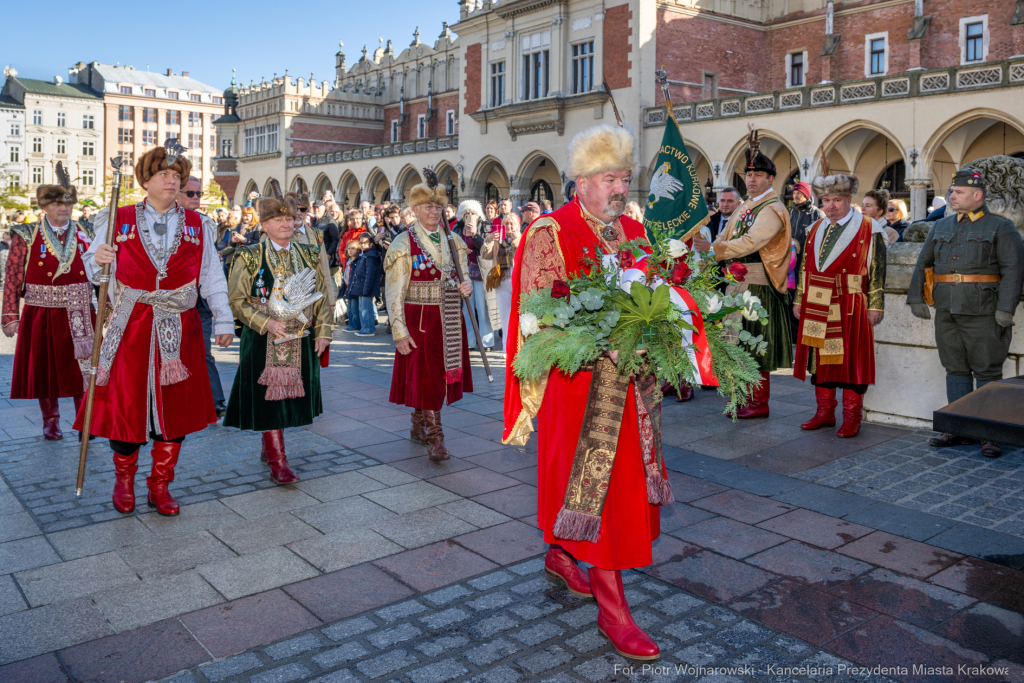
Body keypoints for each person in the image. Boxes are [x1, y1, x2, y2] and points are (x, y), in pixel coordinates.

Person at [503, 124, 673, 662]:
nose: (620, 188)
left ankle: (559, 553)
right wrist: (604, 343)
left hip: (635, 386)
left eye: (624, 178)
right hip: (578, 386)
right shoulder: (550, 233)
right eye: (609, 179)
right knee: (597, 488)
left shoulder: (635, 231)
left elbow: (657, 295)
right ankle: (613, 610)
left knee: (623, 484)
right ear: (581, 182)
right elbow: (539, 315)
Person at [77, 143, 234, 516]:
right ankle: (124, 480)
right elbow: (94, 270)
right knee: (126, 406)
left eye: (176, 175)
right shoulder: (116, 218)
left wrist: (223, 317)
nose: (172, 180)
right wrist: (98, 258)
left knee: (174, 410)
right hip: (130, 326)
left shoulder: (198, 224)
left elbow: (211, 274)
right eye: (163, 174)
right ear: (145, 181)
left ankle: (160, 484)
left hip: (181, 326)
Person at [907, 169, 1024, 458]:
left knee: (987, 371)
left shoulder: (1001, 227)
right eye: (952, 191)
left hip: (984, 311)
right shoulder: (941, 225)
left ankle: (989, 434)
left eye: (958, 192)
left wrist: (1005, 309)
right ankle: (958, 428)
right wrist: (916, 298)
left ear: (978, 195)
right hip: (947, 309)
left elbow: (1013, 270)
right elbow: (924, 263)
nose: (952, 196)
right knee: (955, 369)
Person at [223, 193, 331, 483]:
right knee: (268, 399)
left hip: (301, 336)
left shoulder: (309, 253)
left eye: (289, 218)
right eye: (278, 219)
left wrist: (324, 331)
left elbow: (321, 296)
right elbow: (237, 300)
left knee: (290, 398)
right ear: (264, 225)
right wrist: (266, 322)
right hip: (261, 337)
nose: (286, 224)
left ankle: (269, 444)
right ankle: (278, 463)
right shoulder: (249, 255)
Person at [693, 130, 793, 418]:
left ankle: (759, 403)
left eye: (758, 175)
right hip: (737, 285)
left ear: (770, 179)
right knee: (736, 344)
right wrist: (709, 247)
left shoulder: (772, 208)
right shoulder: (745, 206)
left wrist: (715, 249)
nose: (752, 179)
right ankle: (741, 397)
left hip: (758, 286)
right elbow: (724, 235)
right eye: (749, 174)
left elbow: (752, 242)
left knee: (755, 346)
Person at [2, 168, 95, 440]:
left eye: (68, 202)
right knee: (44, 369)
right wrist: (10, 315)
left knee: (83, 368)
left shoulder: (87, 231)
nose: (64, 208)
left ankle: (84, 420)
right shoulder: (27, 233)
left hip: (80, 310)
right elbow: (13, 275)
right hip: (41, 311)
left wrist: (109, 307)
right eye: (56, 203)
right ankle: (51, 421)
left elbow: (102, 271)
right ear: (44, 207)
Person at [792, 171, 886, 438]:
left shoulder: (869, 228)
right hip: (817, 302)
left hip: (851, 303)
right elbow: (805, 268)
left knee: (852, 361)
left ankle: (852, 417)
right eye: (826, 200)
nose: (830, 206)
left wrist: (875, 305)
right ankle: (825, 413)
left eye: (837, 200)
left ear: (848, 199)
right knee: (821, 361)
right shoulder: (814, 229)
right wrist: (799, 298)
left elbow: (878, 270)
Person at [384, 181, 473, 460]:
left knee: (436, 376)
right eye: (428, 207)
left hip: (449, 317)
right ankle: (436, 437)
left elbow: (462, 276)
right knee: (427, 377)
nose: (434, 212)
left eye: (438, 207)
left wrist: (467, 285)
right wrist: (399, 331)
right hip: (419, 319)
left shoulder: (454, 239)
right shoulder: (403, 242)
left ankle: (417, 423)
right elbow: (394, 292)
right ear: (415, 210)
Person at [179, 176, 228, 418]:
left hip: (200, 301)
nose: (196, 197)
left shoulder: (204, 224)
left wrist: (223, 316)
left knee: (203, 351)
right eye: (190, 193)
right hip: (172, 302)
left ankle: (215, 399)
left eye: (198, 193)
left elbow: (211, 269)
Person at [457, 200, 495, 350]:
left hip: (480, 270)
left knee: (482, 307)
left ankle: (487, 342)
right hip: (464, 271)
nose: (470, 215)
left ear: (478, 214)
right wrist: (461, 250)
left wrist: (475, 235)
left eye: (473, 213)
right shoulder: (457, 228)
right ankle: (470, 341)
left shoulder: (484, 226)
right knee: (467, 308)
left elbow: (488, 249)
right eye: (467, 213)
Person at [482, 213, 522, 351]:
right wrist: (489, 240)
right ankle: (506, 348)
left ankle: (520, 348)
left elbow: (526, 254)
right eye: (506, 224)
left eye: (512, 223)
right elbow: (484, 255)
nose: (509, 226)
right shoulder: (498, 241)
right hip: (502, 283)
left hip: (519, 283)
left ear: (517, 225)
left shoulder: (523, 238)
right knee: (505, 317)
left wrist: (517, 240)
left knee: (520, 316)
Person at [347, 233, 383, 336]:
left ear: (371, 244)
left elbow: (370, 274)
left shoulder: (370, 256)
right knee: (362, 308)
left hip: (366, 288)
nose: (362, 245)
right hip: (361, 287)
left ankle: (369, 329)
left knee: (366, 309)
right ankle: (364, 328)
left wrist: (366, 289)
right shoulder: (364, 254)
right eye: (361, 243)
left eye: (365, 243)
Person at [788, 181, 825, 252]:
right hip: (793, 255)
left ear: (806, 195)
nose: (795, 196)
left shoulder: (817, 214)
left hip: (808, 256)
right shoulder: (792, 213)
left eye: (798, 193)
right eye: (794, 193)